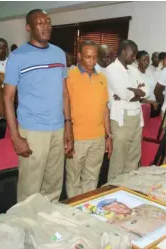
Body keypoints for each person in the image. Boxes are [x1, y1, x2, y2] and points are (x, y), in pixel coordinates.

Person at [3, 9, 73, 203]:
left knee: (53, 185)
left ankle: (46, 227)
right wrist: (15, 136)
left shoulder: (58, 53)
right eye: (40, 22)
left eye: (48, 22)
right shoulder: (18, 56)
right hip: (33, 131)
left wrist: (68, 125)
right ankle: (26, 228)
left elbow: (64, 92)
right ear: (29, 28)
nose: (46, 26)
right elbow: (8, 98)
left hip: (57, 128)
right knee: (30, 190)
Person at [65, 41, 112, 198]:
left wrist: (108, 135)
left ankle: (86, 209)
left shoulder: (102, 79)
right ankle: (73, 211)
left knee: (92, 178)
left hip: (98, 138)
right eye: (88, 57)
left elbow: (105, 109)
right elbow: (64, 107)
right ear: (79, 56)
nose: (92, 61)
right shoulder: (69, 76)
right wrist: (68, 135)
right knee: (73, 179)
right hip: (77, 137)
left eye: (94, 57)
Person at [105, 40, 149, 181]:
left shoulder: (133, 69)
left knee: (133, 158)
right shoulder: (111, 69)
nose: (135, 56)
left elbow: (145, 91)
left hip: (137, 117)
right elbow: (124, 94)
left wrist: (134, 92)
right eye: (133, 53)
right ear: (124, 50)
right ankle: (112, 190)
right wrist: (135, 92)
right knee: (119, 160)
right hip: (122, 119)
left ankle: (128, 189)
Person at [97, 199, 166, 239]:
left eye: (120, 204)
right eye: (115, 207)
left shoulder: (145, 205)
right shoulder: (117, 225)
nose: (121, 207)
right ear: (109, 211)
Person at [136, 50, 159, 115]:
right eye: (144, 60)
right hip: (141, 107)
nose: (147, 62)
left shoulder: (150, 72)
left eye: (148, 60)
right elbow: (134, 95)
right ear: (137, 61)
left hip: (153, 106)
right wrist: (149, 101)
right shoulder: (135, 74)